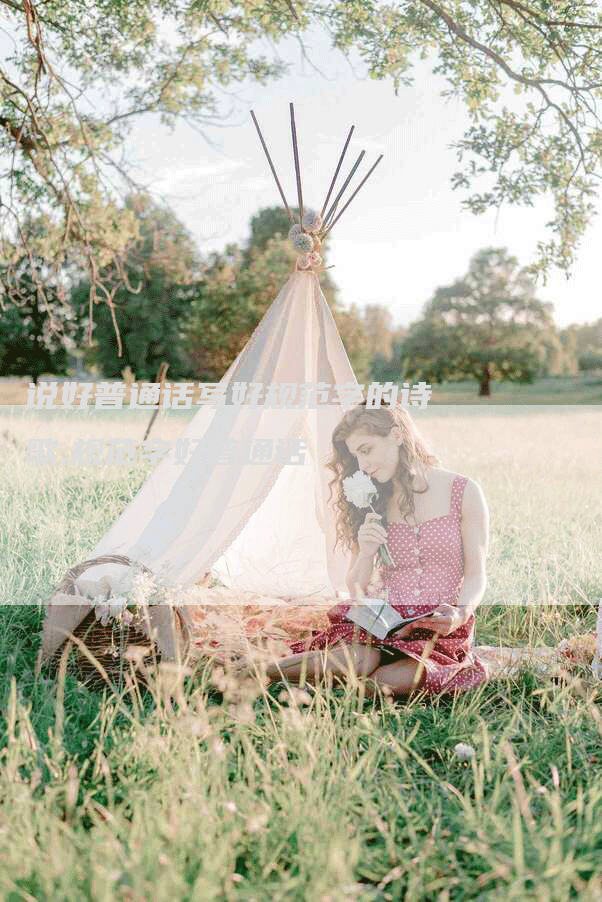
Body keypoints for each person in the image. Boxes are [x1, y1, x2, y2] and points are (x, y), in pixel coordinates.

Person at [265, 401, 490, 698]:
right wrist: (367, 551)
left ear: (396, 435)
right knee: (361, 660)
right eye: (356, 455)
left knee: (386, 682)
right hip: (383, 625)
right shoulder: (374, 502)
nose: (362, 465)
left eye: (366, 450)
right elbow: (355, 584)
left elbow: (476, 573)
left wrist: (461, 613)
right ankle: (258, 669)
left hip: (440, 631)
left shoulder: (463, 491)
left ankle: (320, 685)